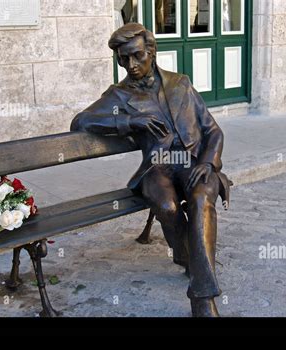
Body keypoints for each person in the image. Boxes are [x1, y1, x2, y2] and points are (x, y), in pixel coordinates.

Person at [70, 23, 231, 317]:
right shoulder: (118, 96)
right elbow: (80, 123)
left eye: (137, 56)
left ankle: (202, 299)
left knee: (200, 199)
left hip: (195, 163)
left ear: (152, 51)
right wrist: (129, 123)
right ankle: (186, 253)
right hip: (157, 169)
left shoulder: (181, 83)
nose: (131, 65)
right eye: (123, 60)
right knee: (167, 207)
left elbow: (213, 131)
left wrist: (208, 163)